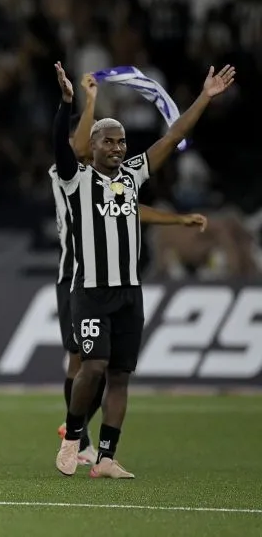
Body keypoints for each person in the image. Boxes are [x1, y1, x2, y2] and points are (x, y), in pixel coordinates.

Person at [53, 62, 235, 479]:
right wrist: (67, 104)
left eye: (122, 142)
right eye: (109, 142)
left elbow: (172, 136)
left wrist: (204, 97)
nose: (118, 148)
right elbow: (63, 147)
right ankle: (73, 436)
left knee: (119, 377)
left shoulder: (133, 175)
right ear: (92, 146)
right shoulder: (75, 179)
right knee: (92, 367)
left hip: (129, 292)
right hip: (91, 291)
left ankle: (106, 458)